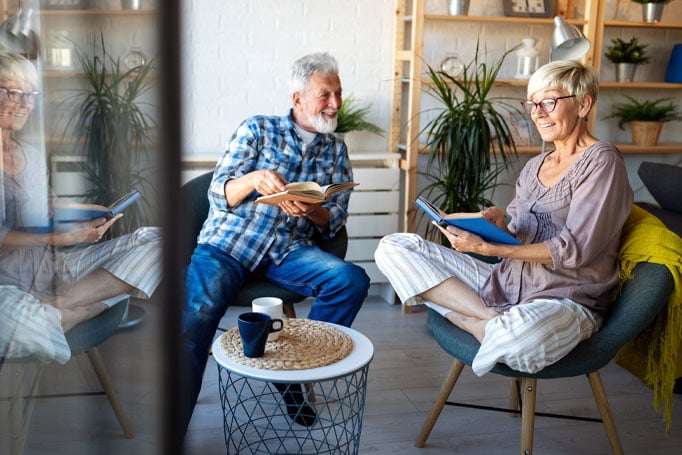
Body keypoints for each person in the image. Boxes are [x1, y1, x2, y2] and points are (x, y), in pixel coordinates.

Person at [375, 60, 633, 376]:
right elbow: (520, 237)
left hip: (565, 300)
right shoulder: (534, 167)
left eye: (549, 102)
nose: (538, 113)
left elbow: (574, 250)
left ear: (583, 104)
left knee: (521, 338)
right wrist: (498, 228)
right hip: (506, 287)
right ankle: (488, 320)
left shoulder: (602, 162)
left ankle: (472, 320)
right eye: (533, 104)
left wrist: (491, 250)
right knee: (394, 247)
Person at [182, 52, 370, 431]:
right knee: (197, 315)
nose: (335, 104)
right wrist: (254, 179)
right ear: (298, 98)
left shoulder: (336, 150)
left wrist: (313, 210)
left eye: (338, 93)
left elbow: (333, 223)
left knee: (351, 280)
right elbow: (218, 194)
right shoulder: (257, 129)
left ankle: (293, 373)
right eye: (325, 95)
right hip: (229, 243)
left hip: (289, 250)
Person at [0, 51, 162, 361]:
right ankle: (90, 306)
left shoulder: (31, 155)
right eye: (13, 91)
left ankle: (59, 308)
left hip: (52, 272)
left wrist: (92, 212)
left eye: (30, 94)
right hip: (6, 287)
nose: (24, 102)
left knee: (159, 240)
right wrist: (62, 238)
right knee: (13, 322)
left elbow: (46, 208)